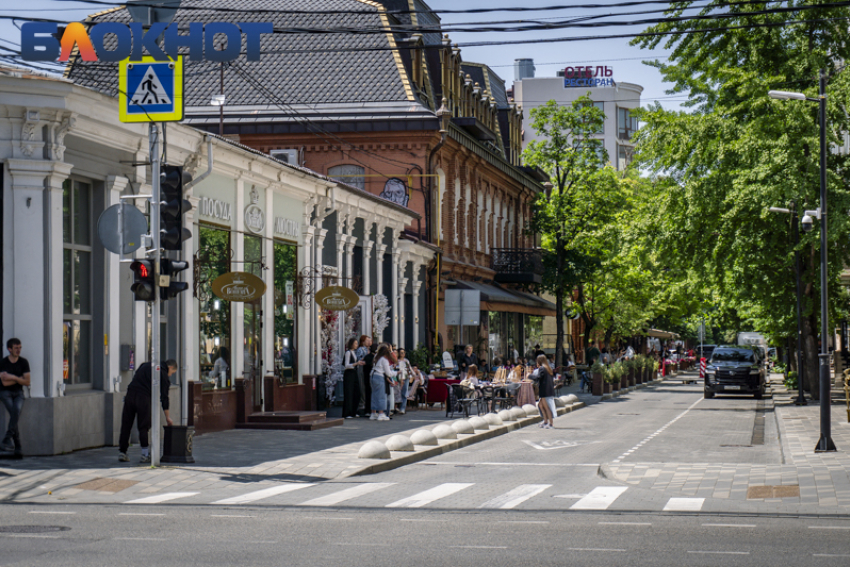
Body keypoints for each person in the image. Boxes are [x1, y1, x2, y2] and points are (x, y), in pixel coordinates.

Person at [118, 359, 176, 463]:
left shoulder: (145, 365)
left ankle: (122, 452)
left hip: (130, 394)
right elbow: (164, 397)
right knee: (143, 426)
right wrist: (167, 416)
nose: (170, 375)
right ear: (170, 367)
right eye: (172, 373)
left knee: (126, 424)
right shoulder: (162, 373)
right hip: (143, 398)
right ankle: (145, 454)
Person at [0, 338, 31, 456]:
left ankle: (7, 439)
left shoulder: (24, 362)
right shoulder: (3, 363)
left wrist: (12, 377)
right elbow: (4, 383)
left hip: (18, 393)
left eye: (20, 347)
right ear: (9, 349)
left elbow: (27, 382)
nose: (19, 350)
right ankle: (17, 446)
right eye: (16, 348)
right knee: (15, 413)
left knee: (16, 411)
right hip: (5, 393)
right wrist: (19, 379)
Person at [370, 344, 395, 421]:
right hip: (379, 376)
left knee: (374, 394)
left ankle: (373, 413)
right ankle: (381, 413)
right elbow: (388, 373)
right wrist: (396, 373)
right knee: (381, 395)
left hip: (372, 375)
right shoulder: (384, 360)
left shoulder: (376, 357)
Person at [342, 338, 364, 419]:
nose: (356, 345)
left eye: (357, 343)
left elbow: (355, 364)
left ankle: (354, 411)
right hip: (349, 374)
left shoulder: (354, 353)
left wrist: (359, 363)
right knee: (349, 393)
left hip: (354, 373)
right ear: (351, 344)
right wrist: (356, 363)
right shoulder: (348, 353)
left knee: (356, 392)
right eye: (355, 343)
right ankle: (347, 413)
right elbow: (346, 365)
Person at [536, 354, 556, 429]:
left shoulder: (542, 368)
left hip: (544, 391)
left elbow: (538, 377)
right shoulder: (548, 368)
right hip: (548, 390)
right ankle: (545, 421)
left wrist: (529, 376)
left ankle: (550, 423)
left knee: (546, 407)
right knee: (540, 405)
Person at [355, 335, 372, 416]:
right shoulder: (360, 349)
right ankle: (362, 405)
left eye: (370, 340)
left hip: (368, 370)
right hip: (362, 369)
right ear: (363, 341)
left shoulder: (370, 350)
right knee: (362, 387)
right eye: (367, 340)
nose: (369, 342)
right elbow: (359, 359)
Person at [396, 348, 413, 415]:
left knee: (404, 392)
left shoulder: (406, 361)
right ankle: (397, 407)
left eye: (404, 352)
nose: (403, 354)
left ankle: (402, 408)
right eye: (401, 352)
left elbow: (409, 368)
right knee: (398, 392)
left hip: (406, 377)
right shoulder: (397, 361)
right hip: (398, 378)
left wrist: (411, 374)